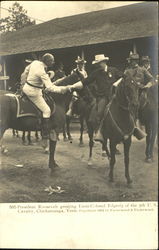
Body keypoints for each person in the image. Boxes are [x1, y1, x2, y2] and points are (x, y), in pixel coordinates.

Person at [21, 53, 71, 144]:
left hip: (26, 88)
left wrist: (27, 80)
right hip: (34, 93)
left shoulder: (35, 62)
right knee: (47, 110)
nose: (53, 62)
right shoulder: (42, 72)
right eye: (52, 60)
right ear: (47, 61)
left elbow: (26, 70)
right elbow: (50, 87)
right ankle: (45, 134)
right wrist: (62, 89)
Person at [82, 54, 123, 143]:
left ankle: (132, 128)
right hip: (103, 98)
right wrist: (72, 86)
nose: (98, 65)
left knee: (126, 109)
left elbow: (123, 77)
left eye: (99, 63)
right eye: (97, 64)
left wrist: (116, 83)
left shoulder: (113, 70)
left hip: (115, 96)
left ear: (104, 62)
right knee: (99, 113)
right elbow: (85, 81)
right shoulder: (96, 73)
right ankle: (100, 132)